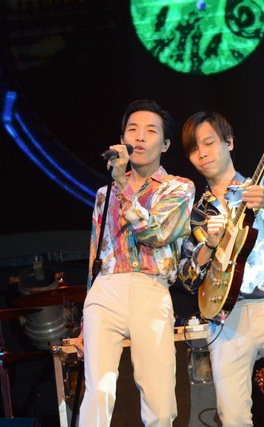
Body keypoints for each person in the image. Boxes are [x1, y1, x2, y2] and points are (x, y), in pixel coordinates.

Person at [177, 111, 264, 427]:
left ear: (229, 142)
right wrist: (209, 246)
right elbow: (187, 277)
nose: (202, 153)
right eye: (194, 149)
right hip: (225, 317)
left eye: (209, 143)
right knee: (232, 416)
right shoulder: (195, 214)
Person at [74, 99, 195, 427]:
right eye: (133, 129)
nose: (140, 137)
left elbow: (155, 234)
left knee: (159, 401)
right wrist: (84, 321)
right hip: (106, 290)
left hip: (149, 287)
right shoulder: (104, 194)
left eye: (151, 131)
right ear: (122, 139)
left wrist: (123, 186)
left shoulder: (179, 188)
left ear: (165, 144)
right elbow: (96, 255)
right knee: (97, 394)